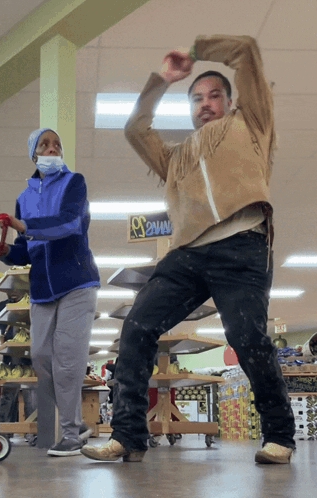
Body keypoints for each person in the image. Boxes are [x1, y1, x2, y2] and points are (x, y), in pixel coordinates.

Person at [81, 35, 295, 464]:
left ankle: (280, 437)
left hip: (243, 245)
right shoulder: (175, 158)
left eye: (214, 95)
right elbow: (135, 129)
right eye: (197, 98)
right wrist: (162, 80)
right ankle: (129, 436)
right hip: (188, 253)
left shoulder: (252, 123)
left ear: (230, 101)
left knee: (247, 337)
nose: (205, 103)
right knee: (137, 327)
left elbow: (246, 50)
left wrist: (196, 53)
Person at [0, 128, 100, 456]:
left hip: (76, 281)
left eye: (57, 144)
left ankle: (70, 434)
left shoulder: (74, 183)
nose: (52, 149)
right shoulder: (24, 198)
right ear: (34, 154)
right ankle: (76, 423)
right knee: (40, 357)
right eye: (44, 145)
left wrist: (27, 226)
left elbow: (70, 224)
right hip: (42, 288)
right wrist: (7, 252)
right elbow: (26, 250)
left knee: (67, 359)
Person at [0, 290, 37, 426]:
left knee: (31, 396)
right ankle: (4, 430)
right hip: (10, 359)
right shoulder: (1, 307)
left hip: (31, 358)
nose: (13, 293)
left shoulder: (34, 305)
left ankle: (33, 432)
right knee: (8, 396)